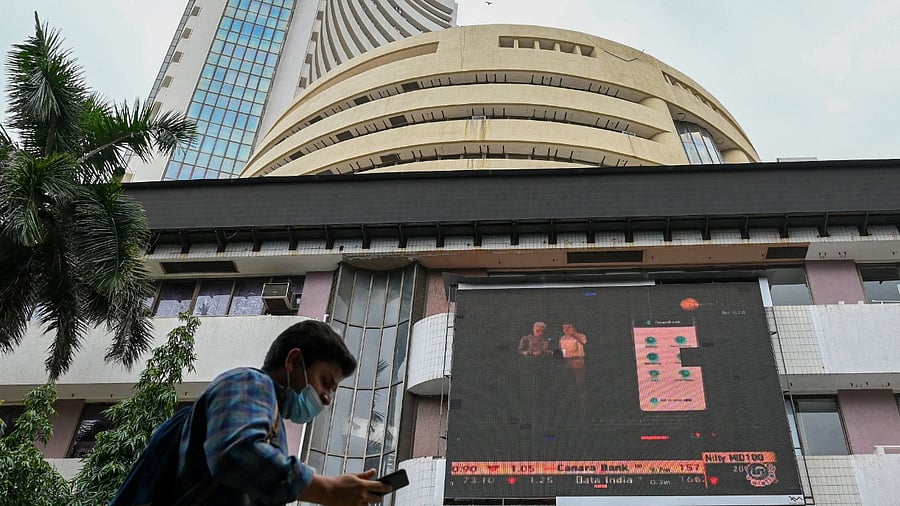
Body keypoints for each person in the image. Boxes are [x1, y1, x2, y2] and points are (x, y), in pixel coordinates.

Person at [173, 319, 392, 505]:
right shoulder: (250, 382)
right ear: (294, 361)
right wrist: (326, 489)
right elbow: (235, 452)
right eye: (325, 382)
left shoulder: (273, 420)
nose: (327, 398)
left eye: (333, 391)